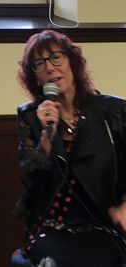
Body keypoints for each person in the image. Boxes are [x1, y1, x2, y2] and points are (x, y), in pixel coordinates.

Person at [13, 29, 126, 267]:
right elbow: (32, 179)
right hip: (53, 226)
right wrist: (47, 134)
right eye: (39, 63)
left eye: (56, 57)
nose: (50, 67)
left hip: (103, 224)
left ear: (71, 61)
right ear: (36, 78)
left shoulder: (113, 111)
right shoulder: (30, 116)